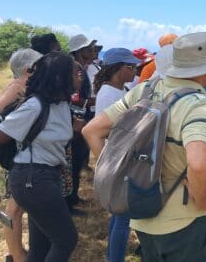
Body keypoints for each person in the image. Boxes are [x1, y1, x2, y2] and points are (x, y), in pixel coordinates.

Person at [83, 32, 206, 262]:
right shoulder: (196, 105)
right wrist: (204, 203)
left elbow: (91, 130)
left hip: (142, 213)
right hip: (183, 220)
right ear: (204, 70)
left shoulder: (144, 91)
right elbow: (200, 164)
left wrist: (117, 171)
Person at [0, 52, 82, 261]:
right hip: (33, 179)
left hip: (46, 177)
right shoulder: (35, 106)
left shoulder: (60, 103)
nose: (80, 76)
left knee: (41, 246)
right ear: (59, 77)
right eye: (76, 72)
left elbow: (80, 127)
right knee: (66, 240)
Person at [0, 48, 42, 262]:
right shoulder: (16, 88)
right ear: (28, 70)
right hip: (17, 157)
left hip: (24, 156)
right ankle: (16, 256)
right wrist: (12, 130)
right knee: (14, 209)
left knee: (17, 208)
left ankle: (17, 253)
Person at [92, 48, 140, 262]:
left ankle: (112, 255)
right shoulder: (111, 94)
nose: (135, 71)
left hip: (118, 158)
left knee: (118, 215)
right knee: (123, 218)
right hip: (119, 159)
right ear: (120, 69)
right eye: (132, 67)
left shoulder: (116, 90)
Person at [66, 33, 98, 211]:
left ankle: (73, 197)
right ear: (80, 51)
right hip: (77, 120)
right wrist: (95, 101)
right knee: (74, 159)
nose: (94, 51)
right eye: (90, 48)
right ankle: (69, 201)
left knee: (77, 159)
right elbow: (75, 97)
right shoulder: (77, 70)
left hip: (82, 118)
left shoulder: (86, 68)